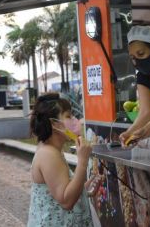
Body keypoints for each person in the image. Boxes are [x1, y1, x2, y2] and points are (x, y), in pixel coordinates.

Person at [27, 93, 93, 227]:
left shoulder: (53, 150)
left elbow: (61, 189)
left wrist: (85, 189)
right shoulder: (48, 154)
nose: (75, 120)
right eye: (68, 116)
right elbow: (66, 201)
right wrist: (82, 163)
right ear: (54, 123)